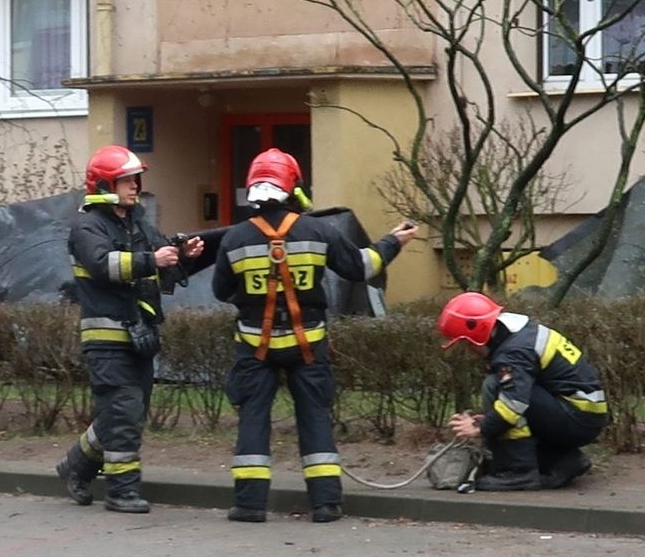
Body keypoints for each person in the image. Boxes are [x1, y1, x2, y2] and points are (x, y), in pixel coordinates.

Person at [212, 148, 418, 523]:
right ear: (293, 187)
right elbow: (361, 267)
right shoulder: (320, 230)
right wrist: (392, 242)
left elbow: (221, 291)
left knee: (253, 419)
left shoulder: (234, 239)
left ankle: (249, 505)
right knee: (315, 418)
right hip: (309, 346)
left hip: (255, 348)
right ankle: (325, 504)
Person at [57, 144, 204, 513]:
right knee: (122, 411)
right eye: (127, 179)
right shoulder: (86, 226)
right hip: (107, 339)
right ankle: (122, 490)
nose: (135, 186)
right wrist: (149, 259)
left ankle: (76, 465)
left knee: (126, 413)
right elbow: (104, 264)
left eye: (136, 179)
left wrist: (181, 253)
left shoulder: (137, 223)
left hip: (140, 335)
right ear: (106, 183)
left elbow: (160, 258)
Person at [438, 292, 609, 491]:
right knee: (503, 404)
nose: (468, 350)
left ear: (478, 331)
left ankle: (518, 473)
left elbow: (514, 404)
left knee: (494, 386)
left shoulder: (513, 352)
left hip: (576, 418)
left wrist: (480, 428)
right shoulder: (521, 334)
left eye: (466, 343)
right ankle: (563, 461)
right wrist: (491, 419)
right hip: (582, 414)